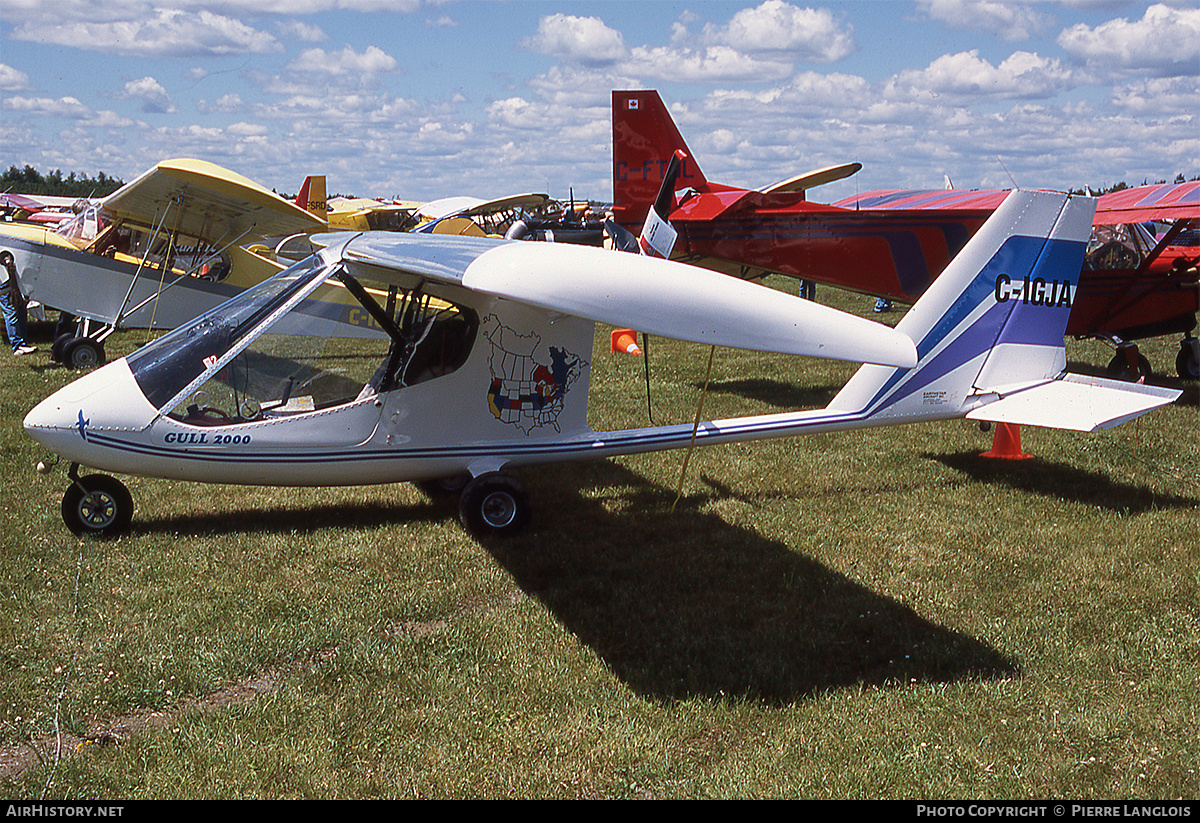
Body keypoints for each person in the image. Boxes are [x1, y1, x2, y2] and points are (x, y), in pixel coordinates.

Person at [1, 253, 37, 355]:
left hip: (13, 277)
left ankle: (22, 342)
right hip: (4, 279)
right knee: (10, 311)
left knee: (21, 308)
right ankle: (17, 345)